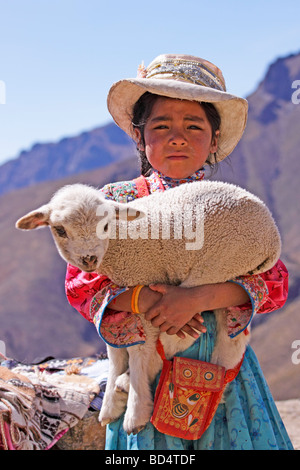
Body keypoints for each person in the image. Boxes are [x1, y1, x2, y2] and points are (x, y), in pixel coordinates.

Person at [65, 54, 293, 450]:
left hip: (224, 383)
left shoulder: (233, 207)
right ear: (138, 135)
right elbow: (83, 286)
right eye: (161, 125)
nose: (178, 137)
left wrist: (198, 298)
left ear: (214, 139)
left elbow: (273, 281)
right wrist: (147, 300)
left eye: (193, 126)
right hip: (146, 384)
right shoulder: (113, 205)